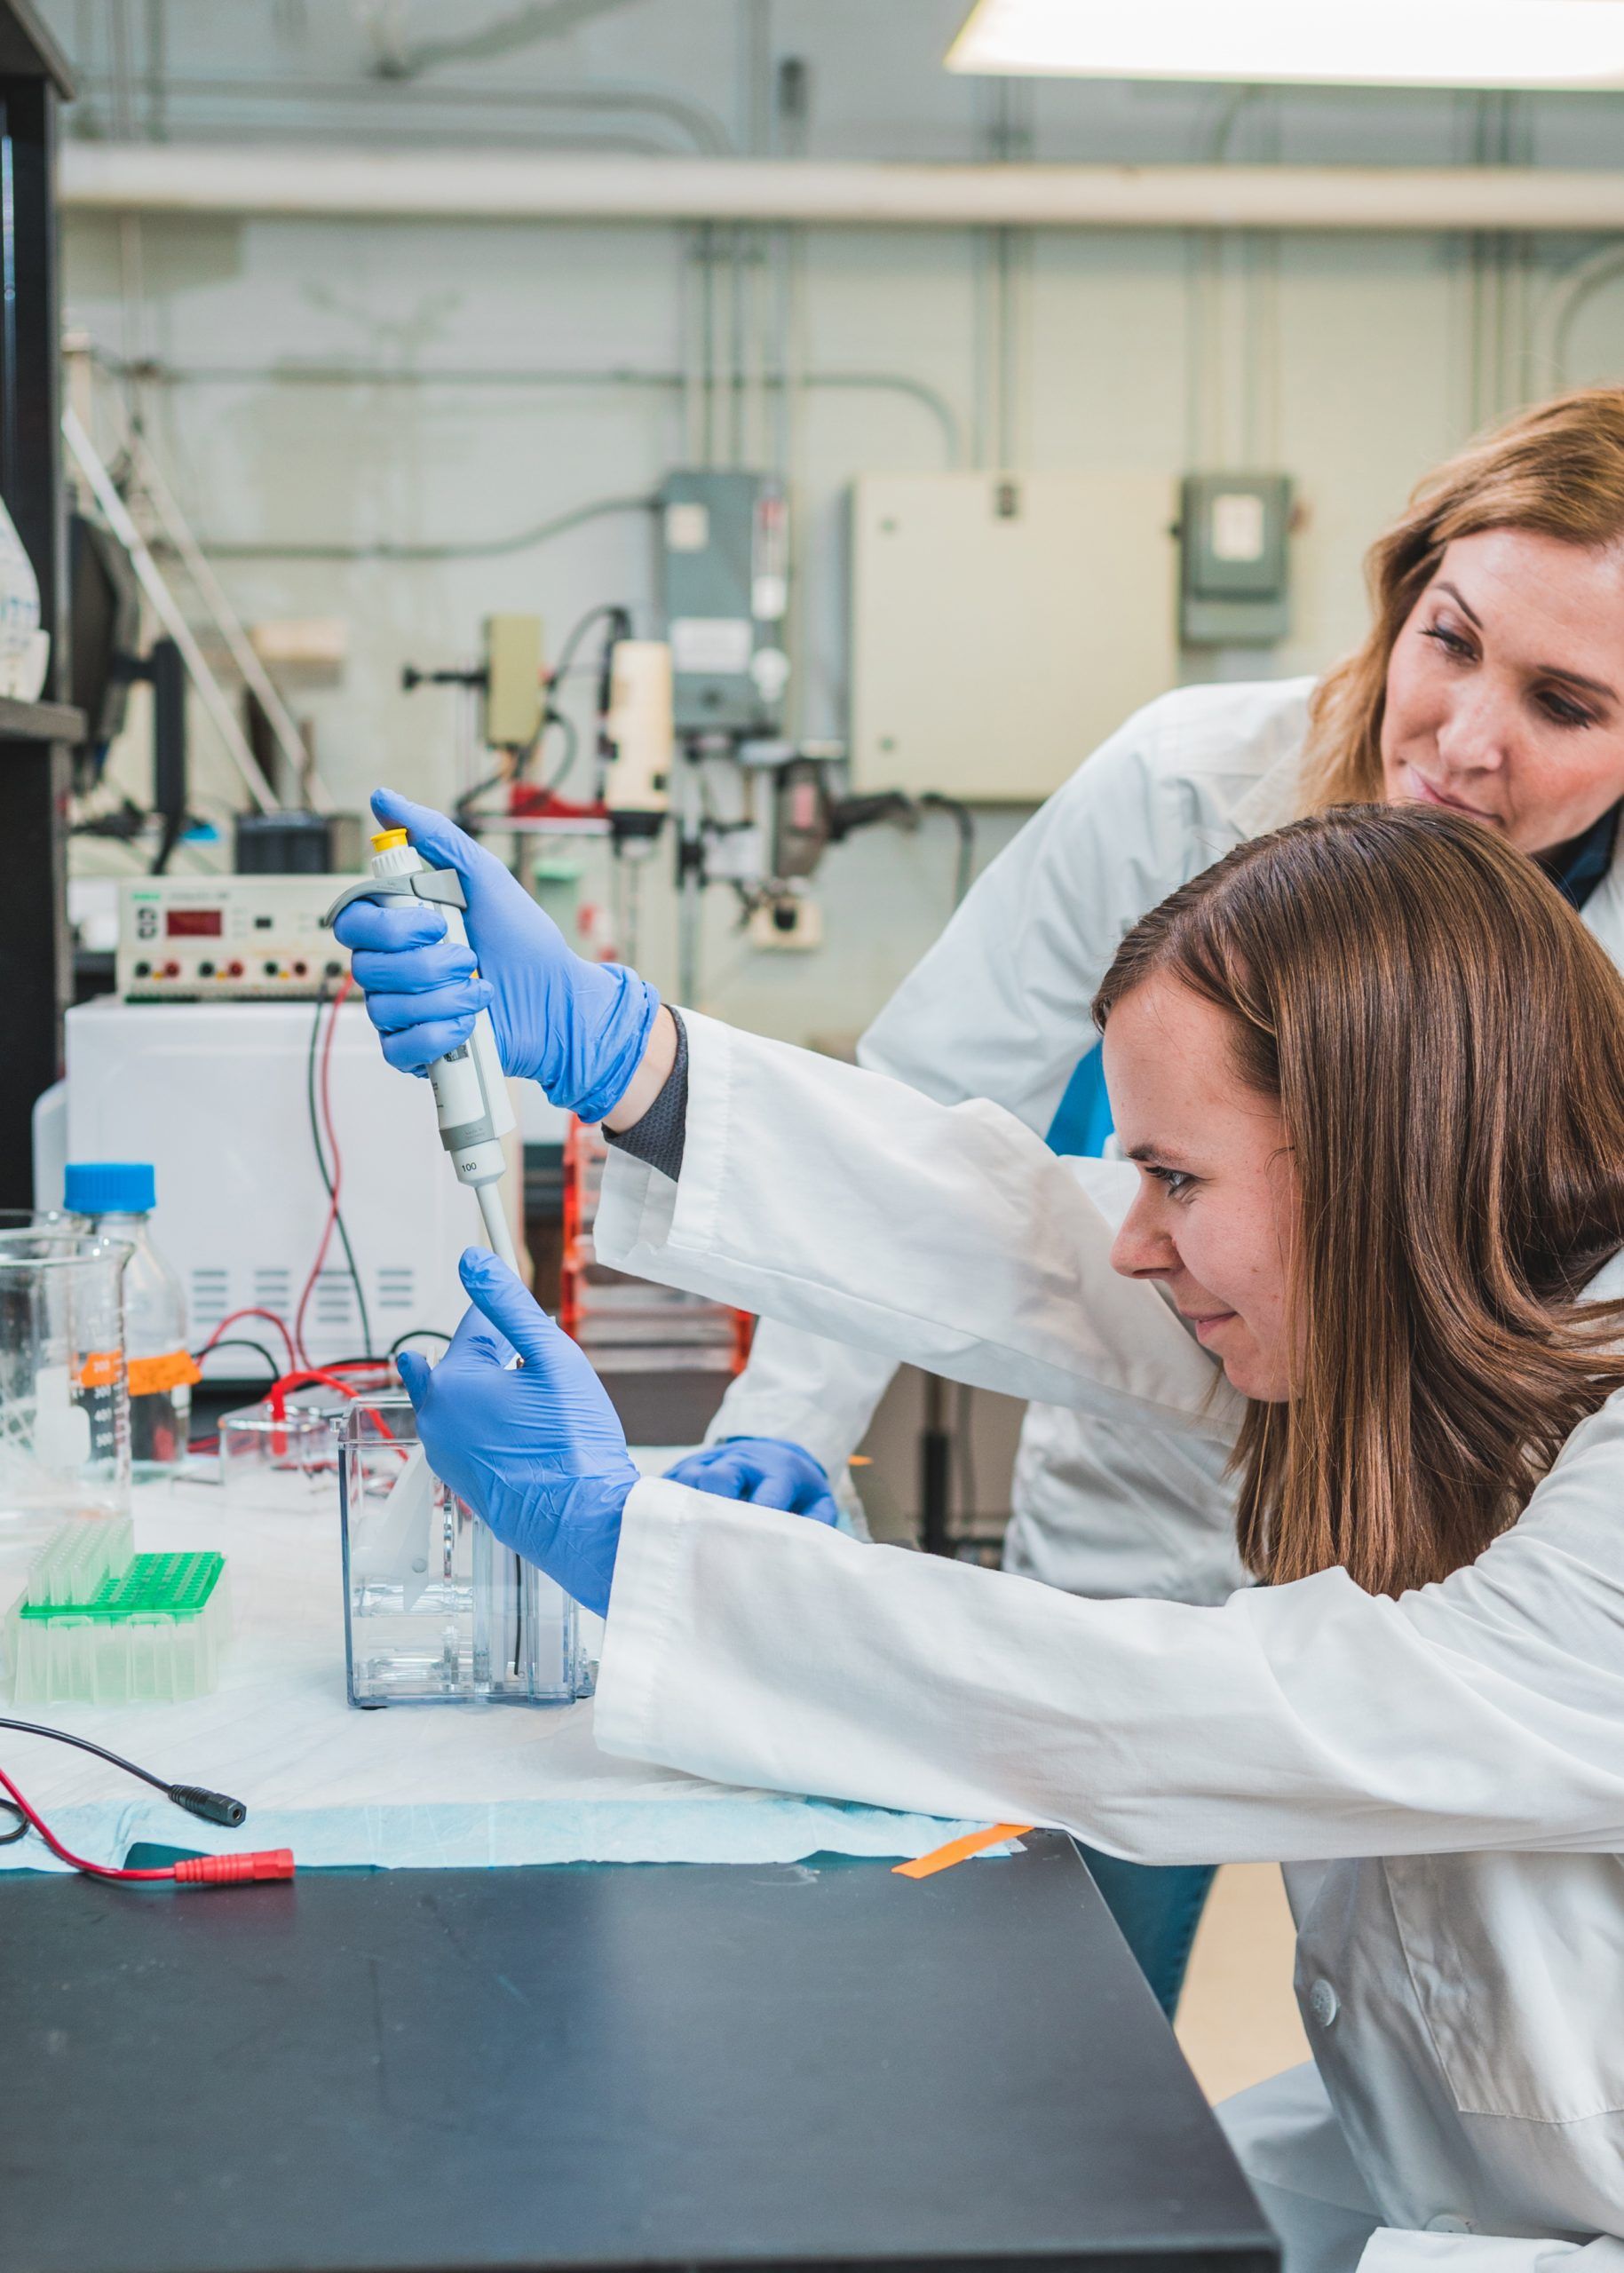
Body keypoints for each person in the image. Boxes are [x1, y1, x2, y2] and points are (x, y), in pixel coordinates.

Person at [342, 799, 1624, 2273]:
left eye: (1176, 1178)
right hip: (1455, 2168)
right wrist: (633, 1060)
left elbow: (1258, 1709)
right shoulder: (1467, 1294)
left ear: (1380, 1162)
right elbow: (1042, 1250)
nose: (1134, 1238)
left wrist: (638, 1549)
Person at [649, 387, 1624, 2010]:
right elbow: (925, 1110)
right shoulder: (1191, 785)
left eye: (1565, 704)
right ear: (1401, 592)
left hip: (1485, 1549)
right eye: (1448, 642)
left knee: (1457, 2008)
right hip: (1154, 1505)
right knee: (1066, 2012)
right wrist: (788, 1426)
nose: (1461, 742)